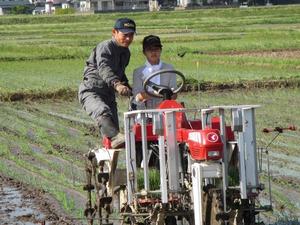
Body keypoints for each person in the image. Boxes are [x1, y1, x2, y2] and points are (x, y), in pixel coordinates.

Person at [78, 18, 136, 149]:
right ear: (114, 32)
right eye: (125, 35)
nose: (128, 39)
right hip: (92, 91)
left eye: (131, 35)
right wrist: (117, 85)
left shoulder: (125, 53)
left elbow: (120, 73)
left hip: (108, 95)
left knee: (116, 137)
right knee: (103, 113)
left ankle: (112, 167)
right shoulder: (106, 47)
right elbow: (104, 68)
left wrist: (128, 86)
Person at [132, 35, 177, 110]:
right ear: (144, 52)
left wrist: (168, 94)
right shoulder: (138, 72)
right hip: (144, 113)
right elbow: (137, 96)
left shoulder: (169, 69)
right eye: (149, 49)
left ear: (161, 50)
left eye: (156, 49)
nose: (153, 52)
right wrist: (158, 93)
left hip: (165, 111)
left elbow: (174, 95)